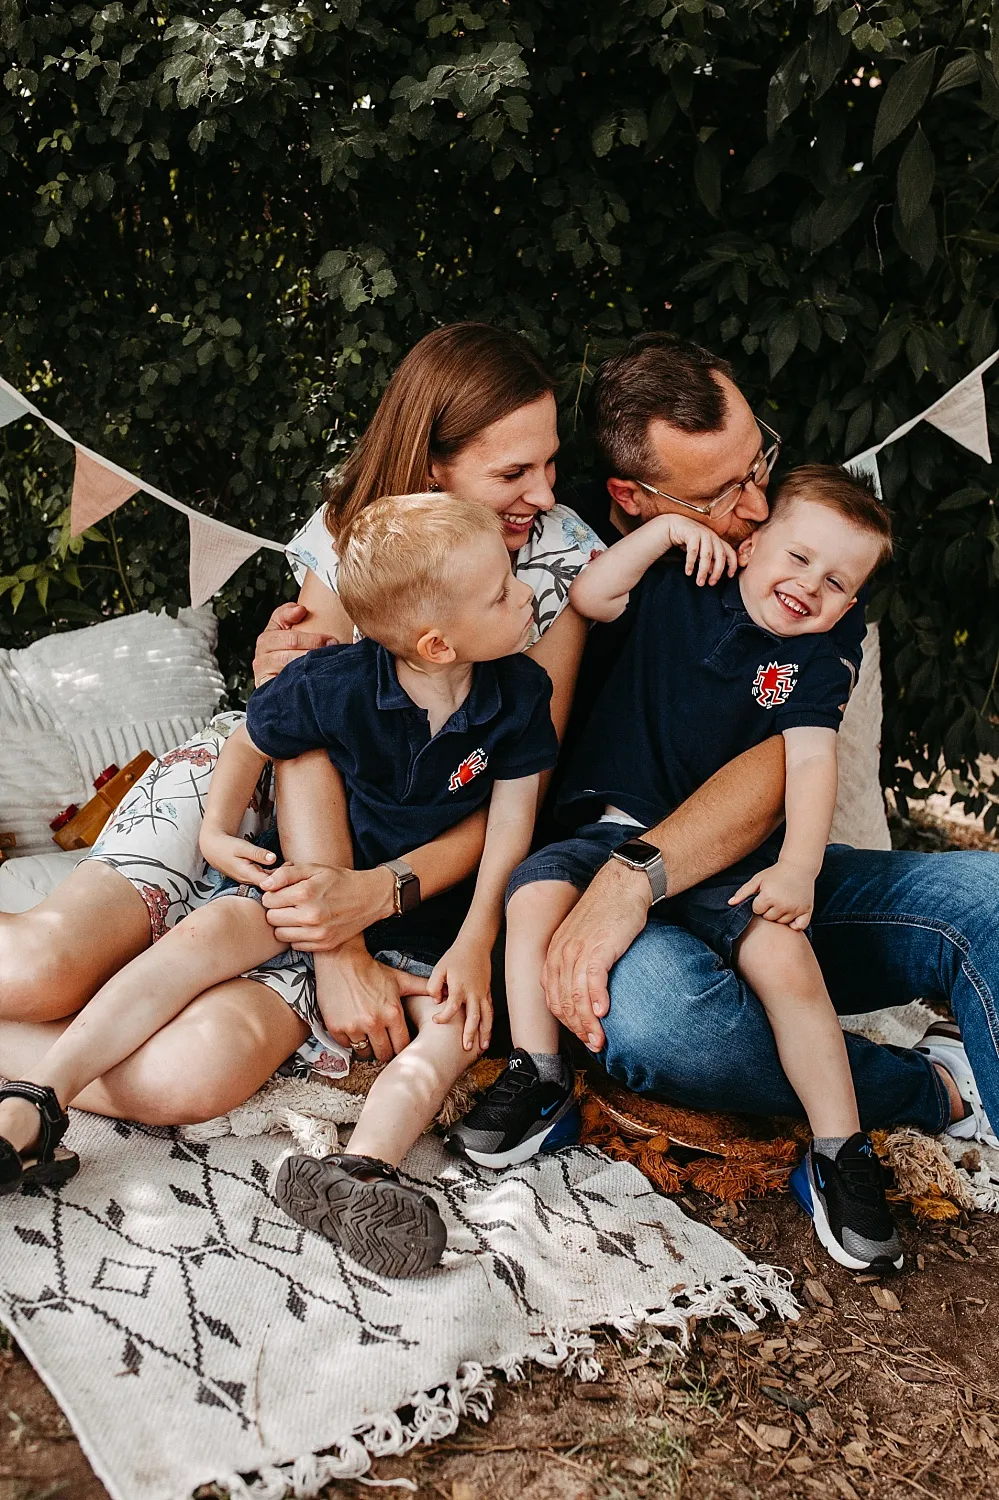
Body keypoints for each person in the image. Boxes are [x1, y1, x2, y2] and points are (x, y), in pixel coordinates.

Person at [0, 323, 609, 1126]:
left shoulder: (558, 556)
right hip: (254, 787)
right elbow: (299, 736)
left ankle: (51, 1067)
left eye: (550, 462)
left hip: (399, 845)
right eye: (512, 471)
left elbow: (510, 787)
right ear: (434, 466)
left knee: (186, 1077)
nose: (542, 492)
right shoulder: (352, 529)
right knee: (37, 971)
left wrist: (370, 899)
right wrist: (337, 951)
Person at [0, 494, 557, 1279]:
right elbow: (252, 740)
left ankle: (362, 1171)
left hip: (426, 922)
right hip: (302, 882)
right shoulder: (335, 681)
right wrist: (217, 831)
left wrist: (475, 944)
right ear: (435, 642)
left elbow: (509, 829)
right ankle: (39, 1104)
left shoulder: (519, 695)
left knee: (452, 1026)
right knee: (214, 932)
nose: (527, 594)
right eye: (503, 590)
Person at [539, 332, 998, 1173]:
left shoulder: (808, 550)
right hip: (600, 889)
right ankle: (922, 1090)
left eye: (759, 464)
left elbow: (790, 760)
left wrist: (638, 873)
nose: (755, 507)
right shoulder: (564, 559)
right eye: (723, 493)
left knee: (991, 897)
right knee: (666, 1027)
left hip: (754, 876)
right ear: (633, 499)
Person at [449, 464, 905, 1273]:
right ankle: (539, 1073)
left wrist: (798, 866)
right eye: (797, 558)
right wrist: (662, 532)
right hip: (607, 828)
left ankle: (839, 1150)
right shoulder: (683, 581)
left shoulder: (810, 655)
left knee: (782, 955)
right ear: (751, 539)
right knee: (533, 902)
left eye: (836, 582)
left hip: (729, 856)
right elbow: (590, 598)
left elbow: (807, 763)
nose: (809, 587)